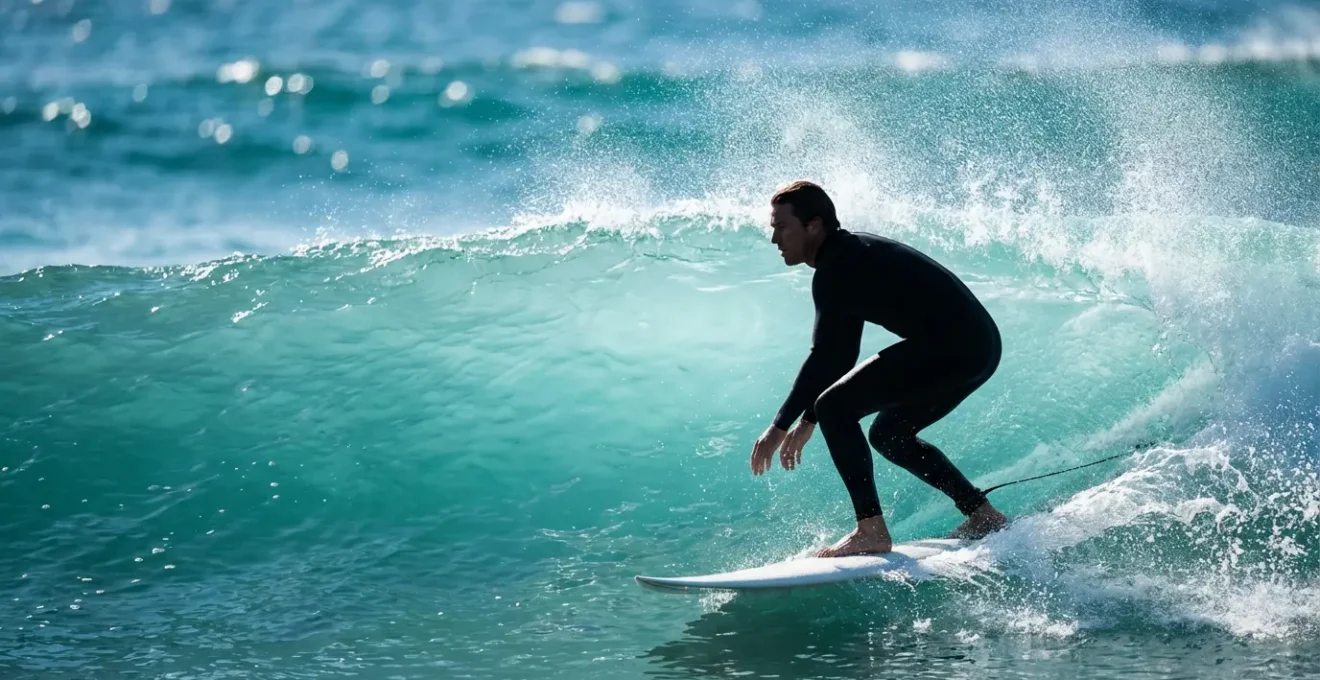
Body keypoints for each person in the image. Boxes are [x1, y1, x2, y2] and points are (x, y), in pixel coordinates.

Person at [749, 180, 1009, 558]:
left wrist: (780, 426)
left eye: (781, 227)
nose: (774, 238)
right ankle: (982, 514)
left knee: (836, 408)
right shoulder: (847, 257)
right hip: (979, 348)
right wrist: (808, 418)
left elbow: (826, 358)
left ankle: (870, 530)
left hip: (954, 347)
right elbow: (840, 355)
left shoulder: (838, 269)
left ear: (814, 226)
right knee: (889, 433)